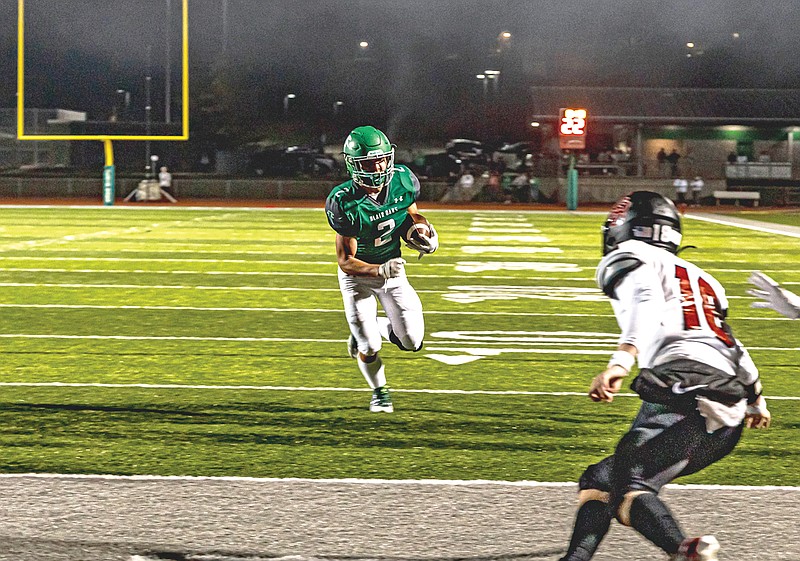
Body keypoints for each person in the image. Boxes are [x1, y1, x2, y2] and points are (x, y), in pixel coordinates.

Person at [558, 191, 771, 561]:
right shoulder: (704, 278)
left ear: (627, 227)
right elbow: (730, 342)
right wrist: (755, 400)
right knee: (604, 480)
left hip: (683, 388)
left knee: (624, 484)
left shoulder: (629, 257)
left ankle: (688, 551)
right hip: (727, 409)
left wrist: (621, 362)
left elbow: (646, 301)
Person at [325, 126, 439, 413]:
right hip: (359, 279)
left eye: (380, 160)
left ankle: (372, 328)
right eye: (368, 163)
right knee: (370, 347)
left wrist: (422, 231)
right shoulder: (344, 202)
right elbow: (345, 261)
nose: (376, 168)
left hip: (394, 270)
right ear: (353, 165)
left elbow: (411, 214)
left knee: (412, 342)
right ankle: (379, 391)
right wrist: (378, 270)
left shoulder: (403, 181)